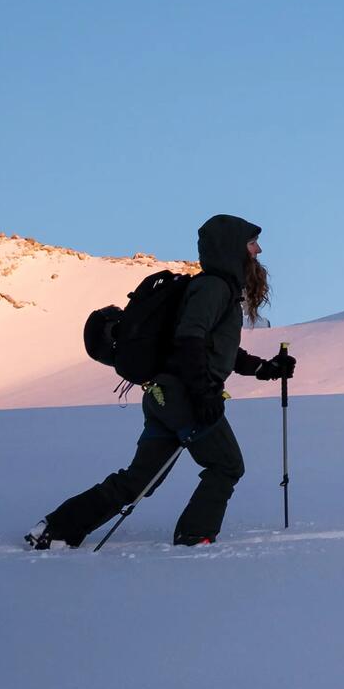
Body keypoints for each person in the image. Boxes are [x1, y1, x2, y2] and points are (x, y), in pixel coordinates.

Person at [26, 213, 296, 548]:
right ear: (232, 248)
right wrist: (203, 392)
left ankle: (56, 529)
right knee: (226, 465)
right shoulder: (214, 288)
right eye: (251, 243)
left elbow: (218, 349)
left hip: (164, 396)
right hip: (184, 397)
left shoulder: (215, 289)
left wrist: (264, 368)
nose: (258, 250)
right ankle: (195, 537)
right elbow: (189, 339)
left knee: (141, 480)